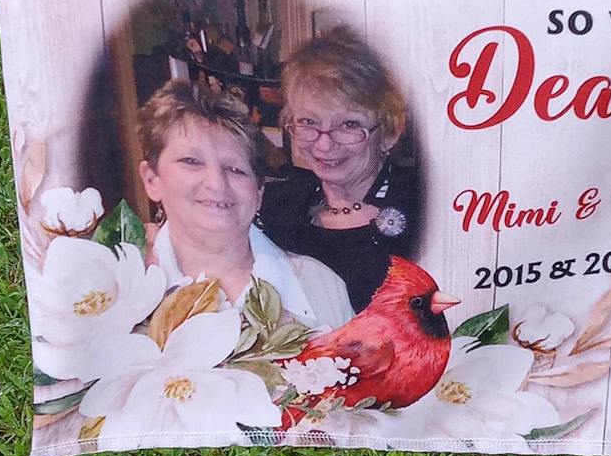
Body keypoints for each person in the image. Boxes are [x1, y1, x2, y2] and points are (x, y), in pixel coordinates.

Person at [138, 83, 352, 330]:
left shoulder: (321, 288)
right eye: (192, 161)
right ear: (152, 180)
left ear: (259, 193)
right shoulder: (114, 289)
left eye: (235, 169)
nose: (216, 183)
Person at [259, 28, 422, 311]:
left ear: (390, 132)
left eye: (348, 124)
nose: (324, 144)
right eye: (309, 122)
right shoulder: (273, 207)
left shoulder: (426, 209)